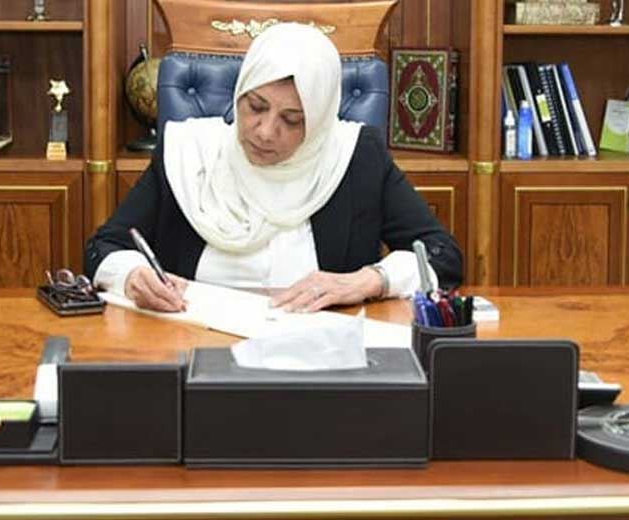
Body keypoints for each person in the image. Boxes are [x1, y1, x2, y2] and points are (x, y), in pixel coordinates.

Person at [84, 22, 462, 312]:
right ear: (239, 94)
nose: (265, 132)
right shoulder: (188, 153)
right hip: (195, 346)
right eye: (256, 106)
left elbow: (443, 255)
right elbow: (105, 247)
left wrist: (368, 281)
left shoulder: (355, 157)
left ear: (319, 123)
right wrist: (133, 276)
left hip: (318, 354)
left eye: (292, 120)